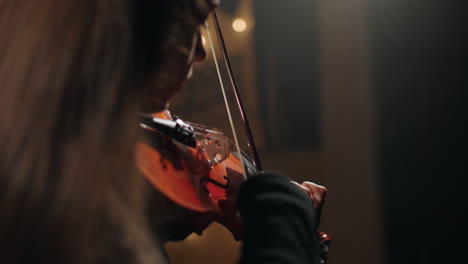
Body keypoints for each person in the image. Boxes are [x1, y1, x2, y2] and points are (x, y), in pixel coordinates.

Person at [0, 0, 327, 263]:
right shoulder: (77, 224)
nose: (200, 51)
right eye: (194, 22)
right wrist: (282, 223)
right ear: (129, 31)